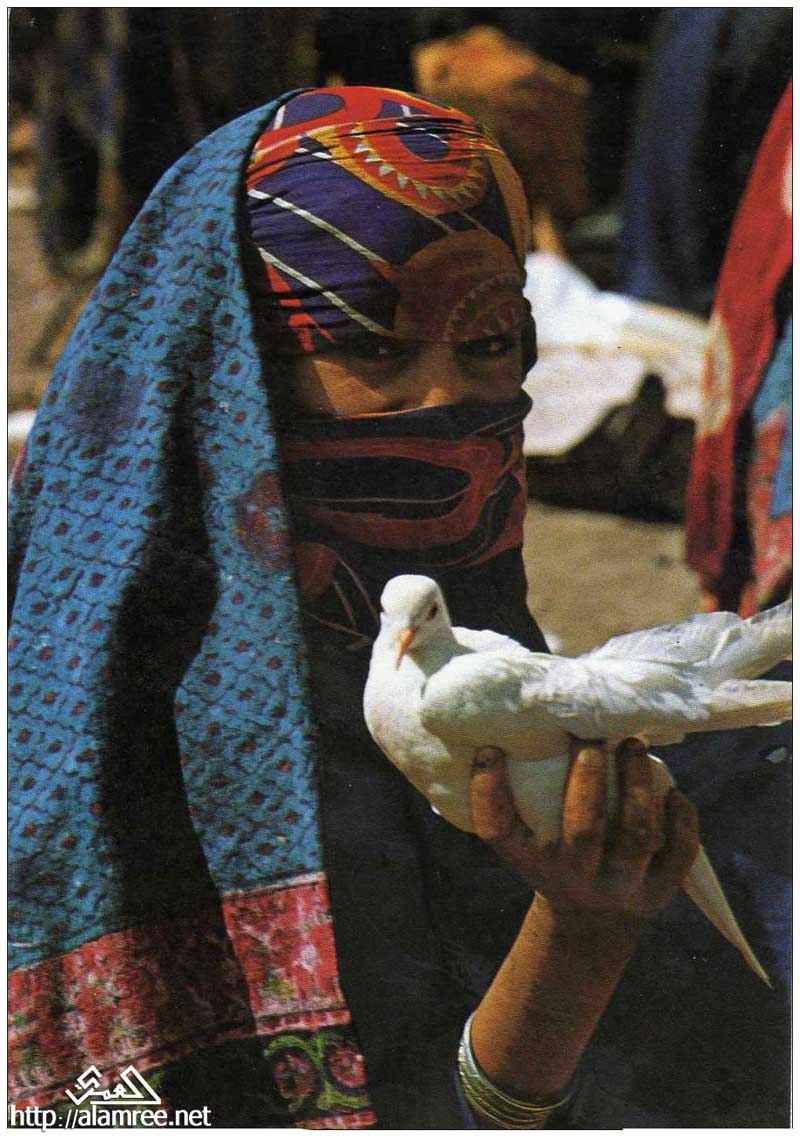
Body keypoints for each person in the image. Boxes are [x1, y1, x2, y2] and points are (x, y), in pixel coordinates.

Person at [8, 87, 783, 1130]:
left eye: (486, 344)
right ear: (236, 372)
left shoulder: (476, 657)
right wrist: (576, 936)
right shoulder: (131, 743)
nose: (445, 403)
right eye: (373, 350)